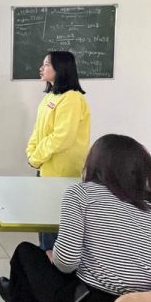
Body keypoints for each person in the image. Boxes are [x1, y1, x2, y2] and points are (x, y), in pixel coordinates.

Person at [0, 135, 151, 302]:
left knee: (27, 254)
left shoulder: (81, 194)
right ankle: (17, 299)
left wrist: (52, 255)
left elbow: (66, 262)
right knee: (47, 272)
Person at [26, 51, 90, 250]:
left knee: (55, 222)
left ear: (60, 68)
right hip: (45, 166)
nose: (41, 68)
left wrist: (36, 157)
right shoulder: (51, 96)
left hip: (62, 171)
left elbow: (62, 137)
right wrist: (31, 153)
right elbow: (38, 130)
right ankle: (45, 258)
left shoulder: (72, 99)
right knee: (44, 219)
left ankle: (54, 263)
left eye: (46, 64)